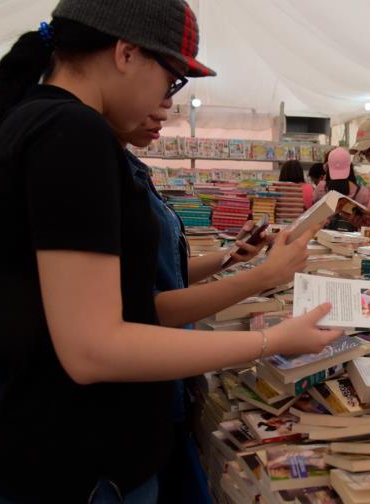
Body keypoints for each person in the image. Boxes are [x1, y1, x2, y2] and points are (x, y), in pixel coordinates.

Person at [0, 2, 342, 501]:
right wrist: (272, 339)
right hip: (86, 466)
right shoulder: (74, 135)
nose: (167, 102)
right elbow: (94, 349)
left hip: (36, 449)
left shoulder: (23, 127)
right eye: (172, 80)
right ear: (126, 53)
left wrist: (51, 340)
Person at [119, 102, 310, 503]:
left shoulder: (128, 170)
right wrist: (263, 280)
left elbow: (165, 272)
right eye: (161, 88)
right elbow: (146, 307)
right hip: (135, 397)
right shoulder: (102, 176)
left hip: (159, 381)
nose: (165, 110)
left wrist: (230, 259)